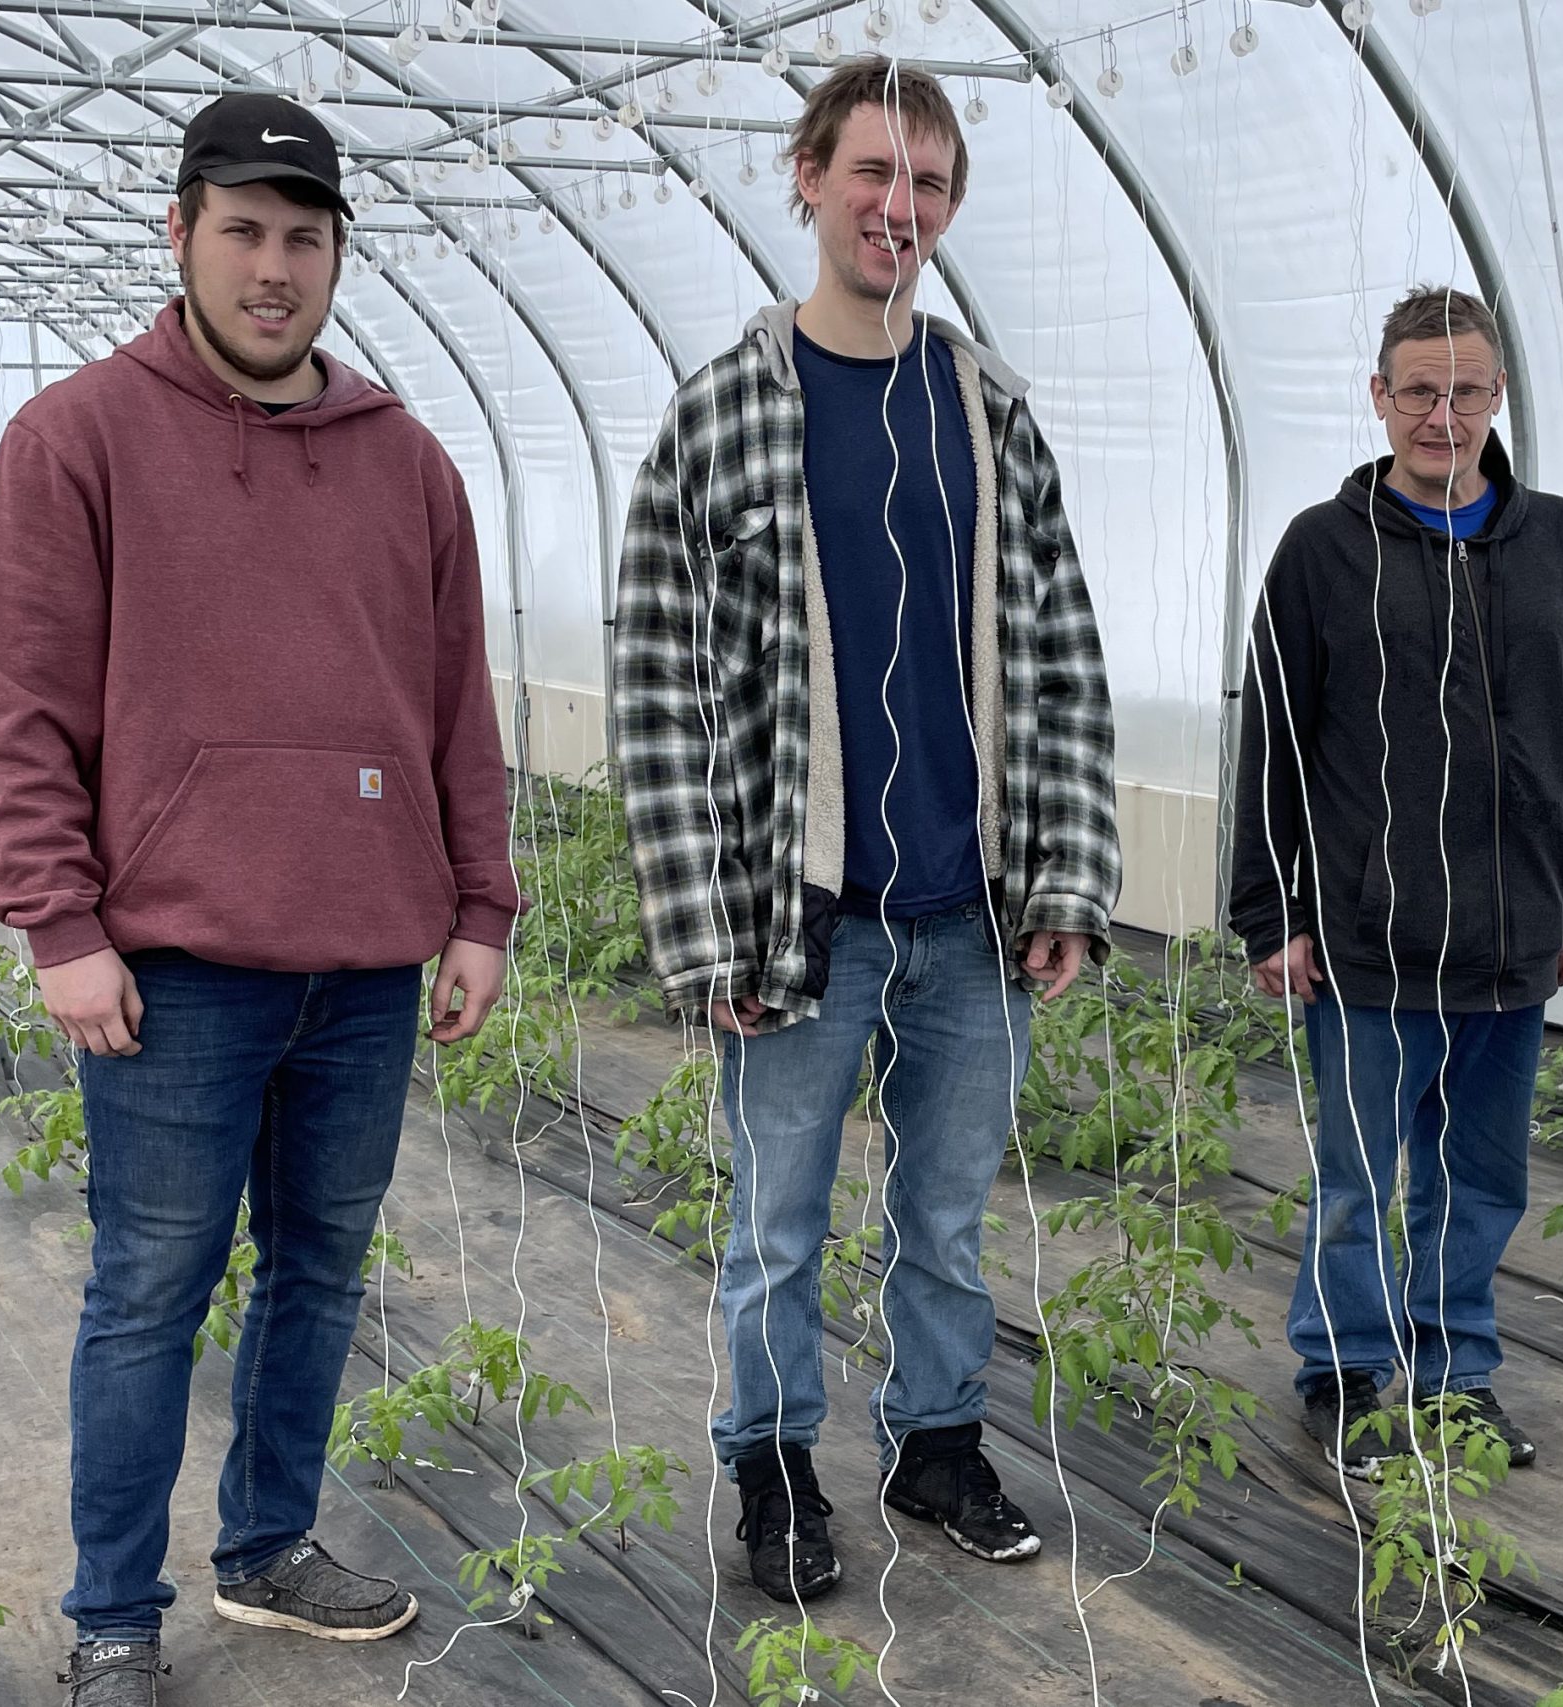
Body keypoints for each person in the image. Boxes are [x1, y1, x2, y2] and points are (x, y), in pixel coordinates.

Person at [0, 92, 517, 1707]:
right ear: (183, 231)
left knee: (322, 1267)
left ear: (339, 252)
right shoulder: (77, 438)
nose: (276, 268)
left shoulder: (408, 465)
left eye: (306, 236)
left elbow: (454, 711)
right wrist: (57, 922)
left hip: (363, 961)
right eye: (246, 231)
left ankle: (269, 1546)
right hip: (174, 966)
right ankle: (113, 1614)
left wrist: (479, 908)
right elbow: (19, 706)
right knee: (149, 1285)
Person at [612, 58, 1121, 1602]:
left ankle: (936, 1440)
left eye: (931, 185)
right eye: (875, 175)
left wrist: (1070, 881)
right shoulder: (726, 414)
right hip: (801, 914)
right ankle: (771, 1466)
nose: (901, 208)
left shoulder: (993, 413)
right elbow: (656, 687)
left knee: (946, 1216)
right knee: (776, 1225)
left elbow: (1064, 656)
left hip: (967, 909)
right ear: (810, 178)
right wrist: (709, 933)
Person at [1228, 285, 1563, 1478]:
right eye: (1418, 390)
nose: (1440, 415)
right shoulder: (1322, 548)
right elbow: (1273, 742)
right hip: (1369, 933)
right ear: (1379, 397)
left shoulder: (1556, 538)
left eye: (1464, 391)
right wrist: (1270, 913)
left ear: (1496, 397)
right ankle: (1345, 1373)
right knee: (1358, 1181)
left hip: (1517, 933)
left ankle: (1455, 1377)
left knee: (1481, 1183)